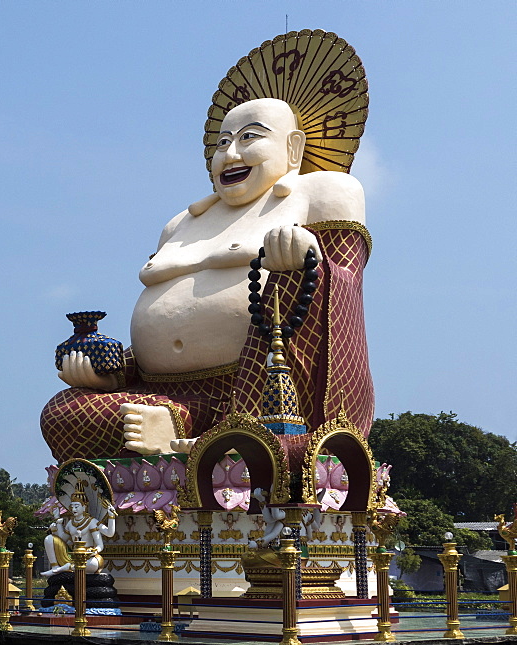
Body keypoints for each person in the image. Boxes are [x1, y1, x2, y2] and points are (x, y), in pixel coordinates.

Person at [41, 97, 373, 460]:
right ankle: (184, 429)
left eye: (249, 138)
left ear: (293, 147)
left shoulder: (323, 192)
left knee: (291, 285)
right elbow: (173, 317)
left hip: (256, 387)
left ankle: (217, 435)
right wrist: (113, 375)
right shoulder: (180, 224)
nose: (230, 155)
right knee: (63, 412)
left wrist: (309, 259)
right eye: (222, 142)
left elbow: (345, 284)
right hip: (162, 391)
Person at [41, 485, 116, 577]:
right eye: (72, 507)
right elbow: (62, 538)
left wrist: (111, 517)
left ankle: (66, 567)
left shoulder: (91, 522)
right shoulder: (70, 523)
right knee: (49, 539)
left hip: (88, 557)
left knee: (94, 564)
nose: (73, 509)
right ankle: (55, 567)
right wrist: (57, 522)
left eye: (76, 506)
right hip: (73, 555)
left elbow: (108, 535)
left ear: (84, 507)